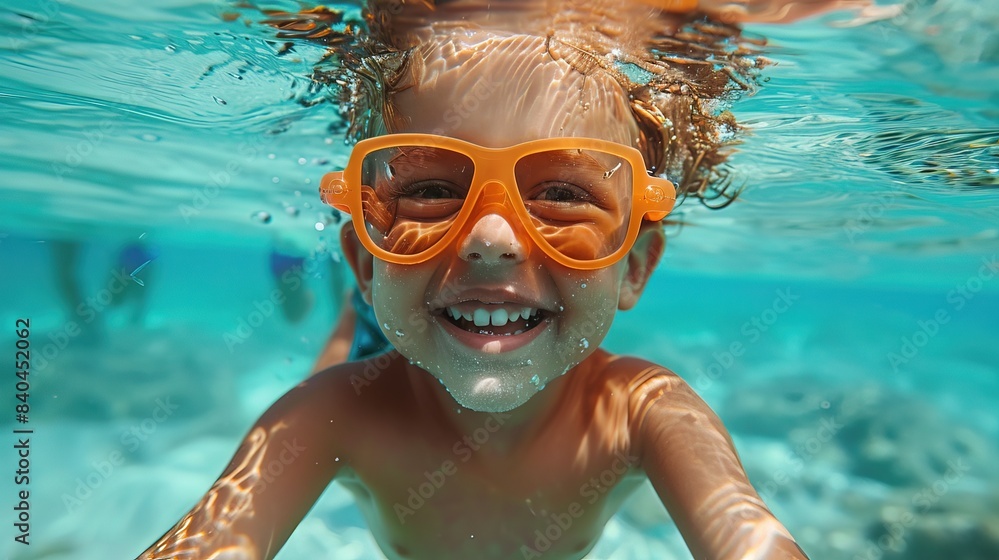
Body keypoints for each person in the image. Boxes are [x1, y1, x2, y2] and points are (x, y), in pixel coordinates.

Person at [139, 1, 872, 558]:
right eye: (429, 190)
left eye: (563, 194)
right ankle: (356, 312)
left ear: (636, 267)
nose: (491, 238)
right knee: (344, 360)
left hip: (428, 309)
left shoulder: (642, 412)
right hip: (382, 342)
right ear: (365, 259)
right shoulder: (335, 412)